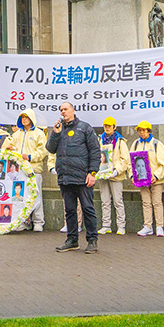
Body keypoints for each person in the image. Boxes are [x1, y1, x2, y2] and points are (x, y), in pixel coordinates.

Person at [45, 102, 101, 253]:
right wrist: (55, 134)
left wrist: (93, 172)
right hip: (65, 176)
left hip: (83, 177)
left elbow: (95, 151)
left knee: (88, 209)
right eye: (61, 110)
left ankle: (92, 240)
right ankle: (72, 240)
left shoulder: (85, 128)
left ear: (73, 111)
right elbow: (50, 148)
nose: (63, 112)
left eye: (65, 109)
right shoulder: (59, 129)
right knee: (69, 210)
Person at [6, 109, 48, 232]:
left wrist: (29, 157)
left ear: (31, 118)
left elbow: (42, 152)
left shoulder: (39, 134)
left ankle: (38, 222)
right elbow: (10, 148)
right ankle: (24, 221)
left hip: (34, 169)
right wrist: (9, 148)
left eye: (26, 117)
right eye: (22, 117)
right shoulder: (16, 134)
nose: (24, 119)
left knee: (36, 196)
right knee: (21, 197)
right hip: (19, 171)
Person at [129, 120, 164, 238]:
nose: (141, 133)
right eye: (139, 130)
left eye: (143, 130)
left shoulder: (157, 144)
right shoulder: (135, 144)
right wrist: (132, 175)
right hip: (142, 180)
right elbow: (131, 162)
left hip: (156, 180)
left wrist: (156, 176)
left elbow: (163, 163)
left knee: (157, 202)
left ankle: (159, 226)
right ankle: (148, 226)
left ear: (148, 131)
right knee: (146, 203)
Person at [97, 116, 131, 235]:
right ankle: (106, 225)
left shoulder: (120, 141)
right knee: (105, 201)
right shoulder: (99, 140)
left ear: (114, 127)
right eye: (105, 126)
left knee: (118, 201)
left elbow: (125, 159)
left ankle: (121, 225)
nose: (107, 128)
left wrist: (117, 170)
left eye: (109, 126)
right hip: (102, 175)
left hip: (116, 176)